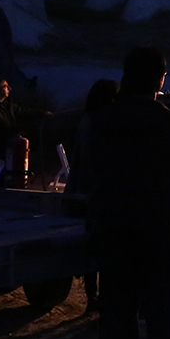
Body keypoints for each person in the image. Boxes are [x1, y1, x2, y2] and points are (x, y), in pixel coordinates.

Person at [88, 47, 170, 339]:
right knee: (160, 306)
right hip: (158, 225)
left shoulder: (102, 121)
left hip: (114, 224)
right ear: (160, 79)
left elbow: (91, 170)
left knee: (116, 306)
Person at [59, 77, 117, 313]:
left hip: (80, 188)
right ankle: (99, 297)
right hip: (96, 191)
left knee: (92, 244)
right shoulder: (102, 124)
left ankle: (93, 297)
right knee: (103, 245)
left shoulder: (85, 121)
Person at [0, 77, 47, 187]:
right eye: (5, 87)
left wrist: (43, 113)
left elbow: (25, 112)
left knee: (11, 180)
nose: (9, 89)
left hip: (10, 151)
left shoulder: (9, 106)